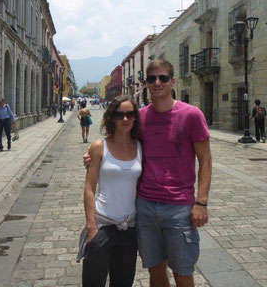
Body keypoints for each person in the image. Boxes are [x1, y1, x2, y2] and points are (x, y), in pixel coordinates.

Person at [86, 59, 212, 287]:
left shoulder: (192, 115)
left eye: (163, 78)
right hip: (144, 207)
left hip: (179, 207)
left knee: (183, 272)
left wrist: (201, 202)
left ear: (172, 81)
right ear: (146, 83)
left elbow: (205, 159)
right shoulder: (140, 117)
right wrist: (94, 156)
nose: (157, 83)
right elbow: (121, 144)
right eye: (152, 78)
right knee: (155, 270)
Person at [77, 96, 142, 286]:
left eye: (130, 114)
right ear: (111, 117)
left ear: (135, 118)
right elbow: (89, 188)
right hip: (102, 225)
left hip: (129, 228)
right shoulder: (99, 147)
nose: (125, 119)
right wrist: (91, 228)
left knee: (123, 282)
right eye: (119, 114)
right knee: (93, 282)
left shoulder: (140, 147)